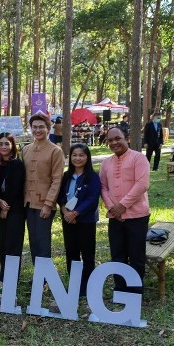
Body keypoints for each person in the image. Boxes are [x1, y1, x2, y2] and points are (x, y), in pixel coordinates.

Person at [99, 127, 150, 294]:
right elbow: (103, 187)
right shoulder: (106, 163)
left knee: (136, 256)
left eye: (117, 138)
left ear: (127, 138)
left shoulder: (139, 158)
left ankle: (135, 292)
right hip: (115, 217)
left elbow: (142, 185)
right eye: (110, 140)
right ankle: (120, 290)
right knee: (117, 254)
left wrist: (123, 206)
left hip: (137, 216)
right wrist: (112, 209)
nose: (114, 143)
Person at [57, 143, 101, 299]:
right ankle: (75, 283)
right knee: (71, 252)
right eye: (74, 155)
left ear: (87, 157)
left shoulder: (93, 177)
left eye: (81, 155)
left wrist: (75, 213)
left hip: (85, 220)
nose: (78, 158)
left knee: (87, 254)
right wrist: (65, 211)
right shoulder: (66, 176)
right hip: (68, 220)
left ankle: (88, 285)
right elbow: (61, 196)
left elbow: (92, 199)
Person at [21, 114, 63, 261]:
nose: (37, 130)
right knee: (33, 241)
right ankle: (39, 277)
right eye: (34, 127)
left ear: (48, 128)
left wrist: (48, 204)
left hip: (44, 204)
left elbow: (57, 180)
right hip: (27, 203)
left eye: (41, 127)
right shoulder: (26, 149)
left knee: (43, 242)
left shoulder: (55, 151)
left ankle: (45, 280)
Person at [0, 132, 26, 286]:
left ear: (13, 146)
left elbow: (16, 188)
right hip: (0, 207)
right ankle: (2, 276)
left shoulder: (17, 164)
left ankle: (11, 278)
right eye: (0, 143)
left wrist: (6, 207)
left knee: (13, 245)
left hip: (16, 210)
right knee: (3, 243)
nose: (3, 147)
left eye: (7, 143)